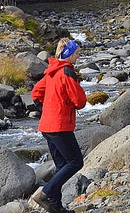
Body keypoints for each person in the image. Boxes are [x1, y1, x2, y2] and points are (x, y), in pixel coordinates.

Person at [28, 38, 87, 213]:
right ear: (68, 54)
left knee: (62, 165)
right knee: (75, 162)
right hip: (60, 126)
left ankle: (55, 207)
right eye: (76, 53)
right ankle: (44, 194)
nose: (78, 56)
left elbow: (36, 93)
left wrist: (46, 108)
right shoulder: (67, 72)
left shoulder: (52, 71)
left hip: (47, 126)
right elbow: (80, 101)